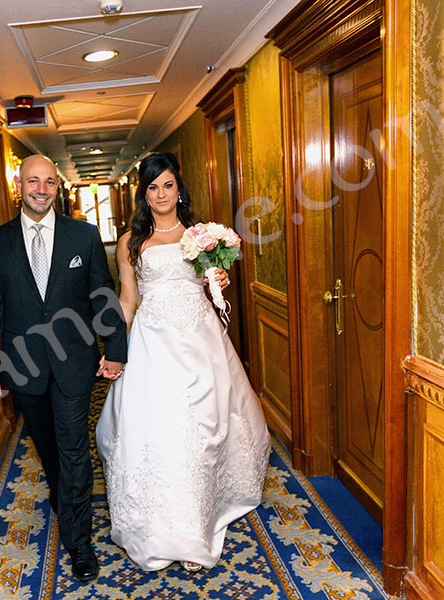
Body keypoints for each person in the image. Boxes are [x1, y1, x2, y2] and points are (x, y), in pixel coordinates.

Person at [95, 152, 270, 572]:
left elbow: (213, 285)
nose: (160, 194)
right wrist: (112, 346)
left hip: (200, 341)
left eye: (167, 185)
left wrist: (219, 277)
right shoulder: (129, 242)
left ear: (179, 188)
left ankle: (200, 526)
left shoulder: (202, 234)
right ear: (144, 193)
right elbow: (128, 300)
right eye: (152, 187)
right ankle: (162, 526)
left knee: (205, 431)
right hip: (152, 345)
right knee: (157, 434)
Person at [0, 154, 128, 582]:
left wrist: (115, 348)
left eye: (48, 182)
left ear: (57, 187)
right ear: (18, 186)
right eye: (32, 181)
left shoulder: (84, 236)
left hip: (75, 364)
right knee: (51, 452)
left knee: (75, 449)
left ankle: (79, 543)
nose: (40, 189)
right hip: (23, 368)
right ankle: (67, 498)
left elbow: (103, 294)